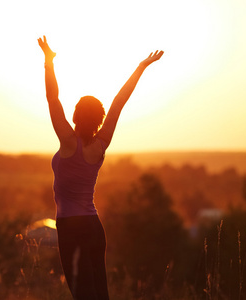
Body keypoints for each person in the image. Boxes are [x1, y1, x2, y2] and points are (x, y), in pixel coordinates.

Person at [38, 35, 164, 300]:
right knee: (99, 294)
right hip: (94, 227)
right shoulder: (101, 144)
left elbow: (52, 98)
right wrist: (140, 68)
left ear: (74, 116)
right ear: (100, 119)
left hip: (70, 227)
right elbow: (119, 103)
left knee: (83, 295)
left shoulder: (67, 141)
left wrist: (49, 61)